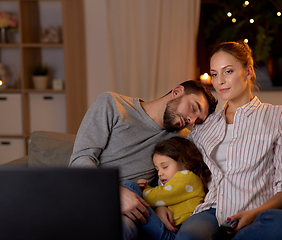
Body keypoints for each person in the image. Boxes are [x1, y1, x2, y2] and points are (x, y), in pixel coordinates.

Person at [172, 41, 282, 240]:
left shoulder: (277, 116)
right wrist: (163, 205)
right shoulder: (204, 126)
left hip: (258, 213)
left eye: (228, 71)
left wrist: (253, 214)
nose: (220, 81)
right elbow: (182, 171)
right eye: (214, 74)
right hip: (212, 212)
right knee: (188, 237)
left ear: (248, 72)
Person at [69, 80, 217, 240]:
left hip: (133, 212)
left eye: (198, 120)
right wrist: (115, 193)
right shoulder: (112, 104)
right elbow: (81, 159)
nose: (192, 120)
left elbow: (171, 181)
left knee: (124, 228)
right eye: (194, 108)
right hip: (92, 197)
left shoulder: (179, 141)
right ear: (177, 91)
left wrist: (159, 206)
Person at [130, 136, 211, 238]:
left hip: (176, 232)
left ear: (185, 162)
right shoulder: (172, 182)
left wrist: (143, 189)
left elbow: (154, 197)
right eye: (157, 169)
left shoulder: (187, 177)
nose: (160, 173)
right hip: (171, 229)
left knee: (130, 186)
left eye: (165, 167)